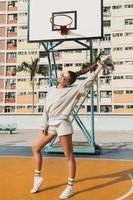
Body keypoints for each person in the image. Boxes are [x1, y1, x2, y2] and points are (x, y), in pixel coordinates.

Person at [31, 60, 104, 199]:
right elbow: (45, 110)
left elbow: (87, 81)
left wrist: (99, 68)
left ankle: (70, 187)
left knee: (69, 157)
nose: (60, 77)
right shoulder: (51, 89)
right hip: (51, 125)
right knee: (35, 148)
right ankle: (37, 178)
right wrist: (43, 125)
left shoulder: (72, 90)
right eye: (61, 75)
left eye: (63, 77)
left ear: (68, 82)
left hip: (63, 124)